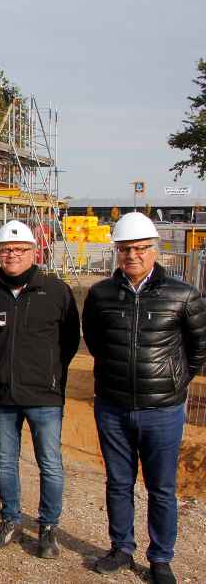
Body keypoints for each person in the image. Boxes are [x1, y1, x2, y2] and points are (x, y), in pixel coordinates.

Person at [83, 212, 206, 584]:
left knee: (162, 488)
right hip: (113, 406)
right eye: (125, 249)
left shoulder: (183, 294)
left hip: (163, 410)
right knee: (118, 483)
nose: (132, 256)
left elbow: (198, 348)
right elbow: (94, 340)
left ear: (155, 250)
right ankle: (121, 547)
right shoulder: (102, 294)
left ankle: (161, 558)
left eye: (139, 248)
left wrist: (173, 382)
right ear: (117, 252)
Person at [0, 220, 80, 558]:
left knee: (49, 463)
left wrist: (50, 375)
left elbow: (68, 342)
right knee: (5, 462)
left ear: (33, 252)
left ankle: (48, 526)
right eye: (6, 250)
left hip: (43, 397)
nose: (12, 255)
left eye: (19, 250)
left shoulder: (55, 291)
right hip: (2, 397)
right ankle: (9, 518)